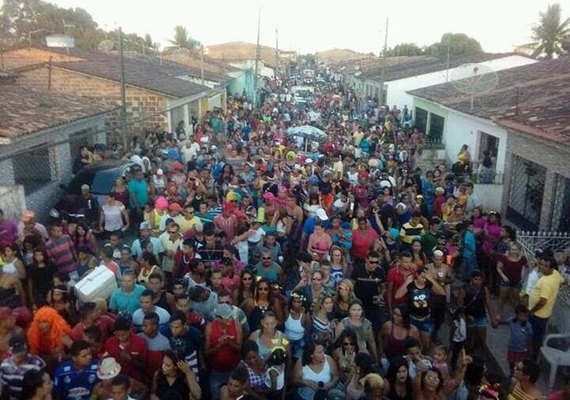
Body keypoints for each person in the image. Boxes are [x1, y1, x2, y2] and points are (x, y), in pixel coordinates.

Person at [395, 266, 445, 350]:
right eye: (422, 277)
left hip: (425, 319)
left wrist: (431, 279)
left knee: (426, 343)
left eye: (426, 278)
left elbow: (442, 293)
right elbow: (397, 295)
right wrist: (407, 282)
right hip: (412, 319)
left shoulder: (428, 284)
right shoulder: (411, 285)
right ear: (417, 275)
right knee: (415, 343)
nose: (424, 280)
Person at [204, 303, 244, 400]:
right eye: (227, 317)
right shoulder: (209, 328)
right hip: (216, 371)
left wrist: (228, 342)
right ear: (218, 318)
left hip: (234, 370)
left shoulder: (237, 325)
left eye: (231, 316)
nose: (231, 319)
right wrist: (219, 345)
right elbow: (205, 353)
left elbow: (240, 349)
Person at [528, 254, 564, 353]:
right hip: (544, 314)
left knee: (536, 337)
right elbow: (563, 281)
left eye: (545, 266)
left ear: (551, 268)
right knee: (539, 335)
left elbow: (542, 301)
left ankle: (534, 356)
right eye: (541, 264)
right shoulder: (556, 274)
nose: (542, 267)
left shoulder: (546, 281)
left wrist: (531, 311)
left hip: (538, 314)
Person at [457, 271, 499, 352]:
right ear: (472, 279)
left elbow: (488, 303)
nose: (478, 282)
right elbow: (459, 303)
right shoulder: (465, 289)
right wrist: (467, 315)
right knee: (469, 337)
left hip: (481, 315)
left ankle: (476, 350)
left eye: (480, 280)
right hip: (469, 316)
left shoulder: (484, 289)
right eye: (476, 279)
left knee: (482, 337)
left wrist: (493, 318)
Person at [0, 334, 46, 400]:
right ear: (10, 350)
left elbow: (45, 388)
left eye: (20, 350)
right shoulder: (4, 365)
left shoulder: (38, 363)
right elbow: (3, 388)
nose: (18, 354)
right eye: (15, 351)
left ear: (26, 348)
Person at [104, 317, 148, 384]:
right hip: (115, 380)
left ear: (130, 330)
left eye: (123, 334)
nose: (120, 337)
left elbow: (145, 368)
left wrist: (130, 360)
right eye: (117, 335)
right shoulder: (109, 343)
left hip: (135, 380)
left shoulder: (140, 343)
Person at [507, 305, 533, 373]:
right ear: (517, 315)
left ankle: (518, 373)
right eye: (521, 316)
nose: (523, 318)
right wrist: (496, 322)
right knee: (511, 361)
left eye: (525, 316)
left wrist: (529, 347)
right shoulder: (512, 320)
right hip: (512, 346)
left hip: (522, 348)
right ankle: (512, 372)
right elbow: (505, 322)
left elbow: (530, 337)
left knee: (520, 363)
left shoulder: (528, 325)